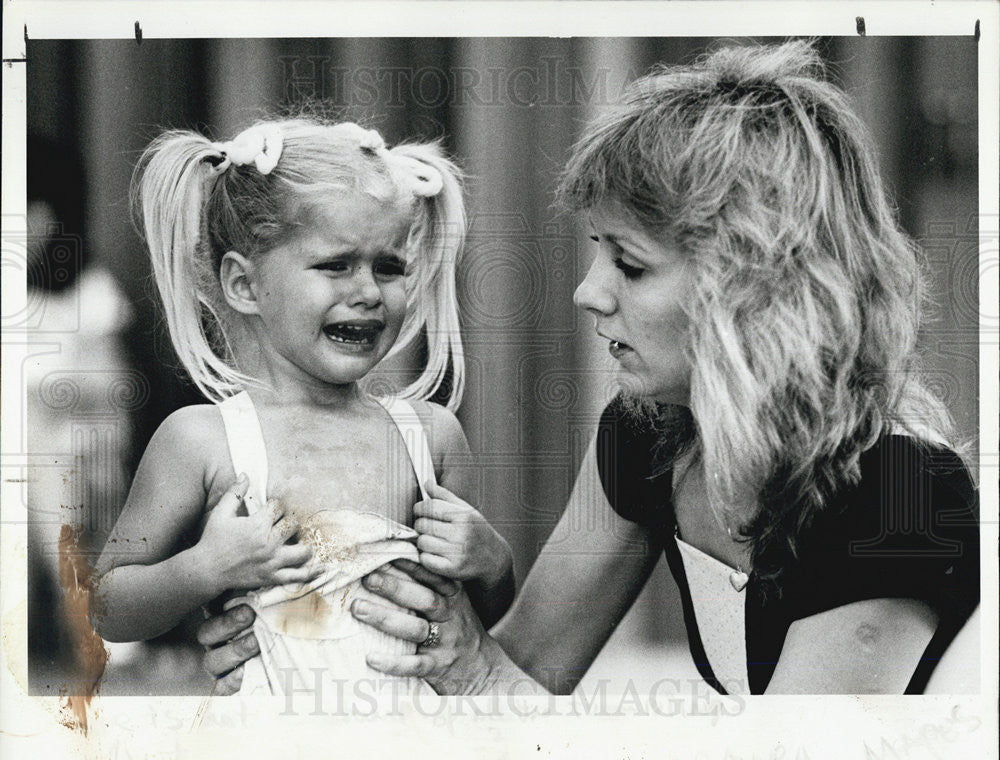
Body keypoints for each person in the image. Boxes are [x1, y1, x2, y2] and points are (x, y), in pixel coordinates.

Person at [200, 41, 980, 696]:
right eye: (594, 252)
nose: (587, 292)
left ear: (752, 284)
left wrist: (476, 672)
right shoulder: (650, 434)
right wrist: (306, 645)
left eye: (630, 265)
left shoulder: (896, 493)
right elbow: (519, 675)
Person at [90, 118, 514, 697]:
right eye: (336, 264)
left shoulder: (431, 436)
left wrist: (492, 564)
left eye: (389, 266)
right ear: (244, 284)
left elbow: (479, 624)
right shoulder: (202, 440)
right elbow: (108, 606)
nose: (368, 291)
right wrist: (202, 569)